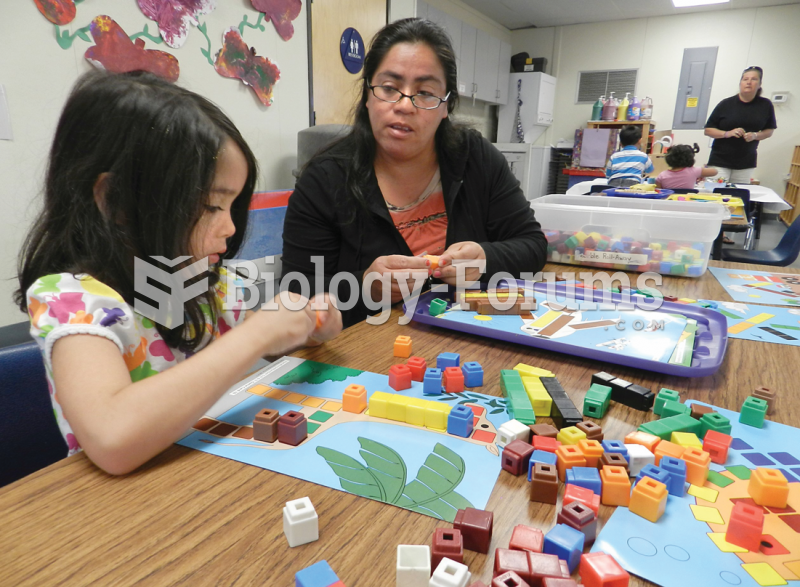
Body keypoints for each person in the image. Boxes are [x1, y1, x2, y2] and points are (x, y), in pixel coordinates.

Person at [14, 71, 342, 475]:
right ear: (116, 201)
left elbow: (254, 343)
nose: (231, 228)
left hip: (207, 474)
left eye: (232, 206)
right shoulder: (75, 303)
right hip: (125, 511)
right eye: (210, 207)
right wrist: (259, 335)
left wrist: (305, 326)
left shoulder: (202, 280)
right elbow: (113, 437)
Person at [281, 18, 548, 328]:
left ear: (446, 106)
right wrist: (366, 285)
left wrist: (485, 259)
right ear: (368, 95)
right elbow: (296, 297)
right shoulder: (324, 179)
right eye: (389, 88)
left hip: (470, 340)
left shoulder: (475, 157)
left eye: (425, 93)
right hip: (369, 352)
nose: (405, 105)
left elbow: (532, 245)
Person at [704, 66, 777, 184]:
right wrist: (727, 133)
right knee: (715, 194)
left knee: (739, 196)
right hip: (720, 160)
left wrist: (755, 135)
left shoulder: (765, 105)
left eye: (753, 79)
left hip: (745, 161)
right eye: (745, 79)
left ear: (759, 84)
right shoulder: (726, 104)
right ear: (740, 83)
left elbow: (769, 130)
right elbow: (708, 130)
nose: (749, 82)